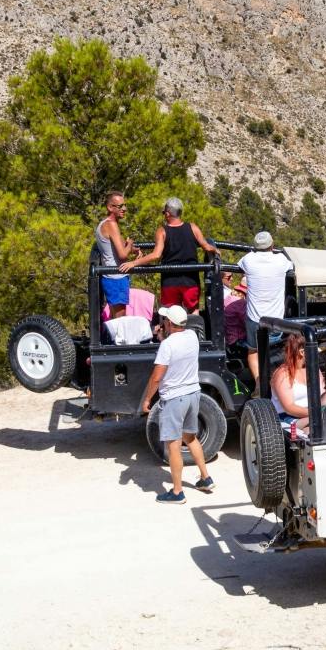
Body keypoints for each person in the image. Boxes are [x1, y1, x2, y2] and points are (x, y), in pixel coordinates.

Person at [135, 305, 213, 503]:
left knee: (173, 446)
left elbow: (157, 377)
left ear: (169, 323)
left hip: (174, 397)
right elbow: (177, 351)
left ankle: (177, 492)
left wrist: (147, 399)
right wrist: (164, 338)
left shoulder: (167, 346)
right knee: (190, 437)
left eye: (165, 320)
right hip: (193, 393)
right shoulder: (192, 337)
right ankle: (205, 478)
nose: (162, 322)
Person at [127, 197, 216, 314]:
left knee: (171, 314)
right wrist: (216, 250)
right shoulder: (193, 227)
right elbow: (206, 246)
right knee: (193, 311)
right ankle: (196, 326)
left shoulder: (162, 231)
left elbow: (156, 254)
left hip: (170, 281)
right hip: (190, 280)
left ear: (167, 214)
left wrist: (134, 263)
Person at [238, 230, 294, 385]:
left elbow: (240, 266)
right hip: (275, 320)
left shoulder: (248, 259)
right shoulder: (281, 260)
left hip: (254, 319)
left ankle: (259, 383)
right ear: (272, 245)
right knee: (273, 349)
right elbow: (292, 266)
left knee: (253, 350)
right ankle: (275, 382)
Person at [93, 192, 136, 314]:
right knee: (120, 320)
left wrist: (133, 249)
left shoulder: (106, 223)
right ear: (110, 207)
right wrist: (130, 244)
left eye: (125, 205)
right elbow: (123, 255)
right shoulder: (111, 224)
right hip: (116, 278)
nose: (124, 209)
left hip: (112, 277)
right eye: (120, 206)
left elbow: (118, 247)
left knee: (116, 319)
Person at [270, 333, 311, 426]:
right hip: (287, 417)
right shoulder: (282, 374)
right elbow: (289, 408)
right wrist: (318, 413)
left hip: (312, 415)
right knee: (321, 422)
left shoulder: (314, 369)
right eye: (315, 349)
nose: (318, 352)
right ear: (302, 352)